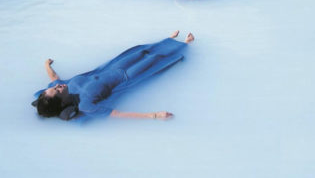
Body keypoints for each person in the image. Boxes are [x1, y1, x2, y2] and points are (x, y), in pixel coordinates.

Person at [32, 31, 195, 121]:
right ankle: (185, 44)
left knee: (141, 51)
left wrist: (46, 64)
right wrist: (153, 115)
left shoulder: (66, 86)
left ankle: (168, 39)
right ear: (62, 101)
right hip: (125, 76)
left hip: (114, 67)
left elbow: (53, 78)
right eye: (57, 90)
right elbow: (116, 114)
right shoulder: (85, 105)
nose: (58, 86)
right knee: (154, 58)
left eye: (55, 87)